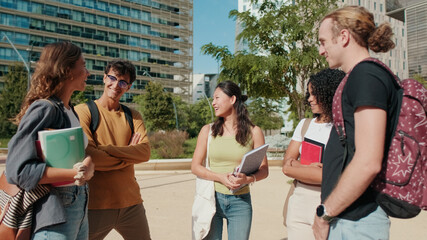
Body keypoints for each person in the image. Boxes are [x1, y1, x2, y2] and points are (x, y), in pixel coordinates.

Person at [313, 6, 399, 240]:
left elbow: (367, 162)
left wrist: (324, 214)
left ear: (343, 37)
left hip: (358, 221)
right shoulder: (360, 76)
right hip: (350, 220)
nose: (321, 51)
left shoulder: (366, 75)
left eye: (323, 42)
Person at [6, 42, 94, 239]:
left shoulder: (70, 110)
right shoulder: (45, 109)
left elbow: (79, 154)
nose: (87, 73)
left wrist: (88, 164)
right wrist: (75, 173)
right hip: (55, 211)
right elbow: (18, 170)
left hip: (79, 207)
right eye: (83, 65)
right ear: (67, 70)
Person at [74, 59, 151, 240]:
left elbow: (145, 153)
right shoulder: (83, 111)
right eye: (113, 78)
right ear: (104, 78)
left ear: (128, 87)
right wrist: (128, 154)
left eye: (123, 82)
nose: (116, 85)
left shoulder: (133, 116)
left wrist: (106, 149)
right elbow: (90, 156)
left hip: (132, 204)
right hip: (95, 206)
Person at [191, 80, 269, 240]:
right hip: (212, 200)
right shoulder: (207, 130)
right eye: (213, 99)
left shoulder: (254, 132)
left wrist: (247, 179)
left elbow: (264, 169)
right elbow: (195, 167)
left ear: (232, 99)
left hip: (241, 202)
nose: (213, 103)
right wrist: (220, 177)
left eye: (217, 98)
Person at [282, 69, 344, 240]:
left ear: (329, 92)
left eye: (314, 94)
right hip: (299, 199)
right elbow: (286, 166)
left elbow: (335, 176)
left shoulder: (342, 129)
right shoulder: (305, 125)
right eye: (308, 94)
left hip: (329, 202)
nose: (309, 99)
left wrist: (297, 167)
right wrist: (308, 168)